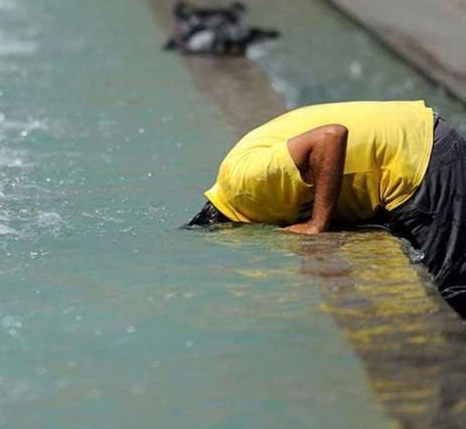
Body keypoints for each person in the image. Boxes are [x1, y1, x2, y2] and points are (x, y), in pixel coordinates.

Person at [188, 100, 466, 316]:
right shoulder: (241, 187)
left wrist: (317, 224)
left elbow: (331, 137)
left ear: (226, 227)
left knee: (450, 290)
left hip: (418, 155)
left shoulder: (245, 184)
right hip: (410, 145)